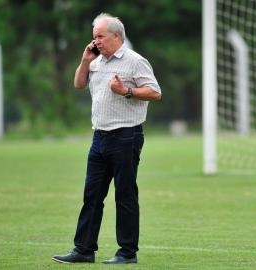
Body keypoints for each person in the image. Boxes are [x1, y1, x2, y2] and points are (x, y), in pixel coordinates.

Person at [52, 13, 161, 264]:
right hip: (99, 137)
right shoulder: (95, 61)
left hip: (126, 135)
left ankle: (127, 253)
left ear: (116, 36)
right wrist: (84, 60)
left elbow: (155, 93)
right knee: (92, 195)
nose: (96, 41)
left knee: (124, 194)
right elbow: (79, 84)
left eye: (100, 36)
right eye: (94, 37)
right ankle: (84, 250)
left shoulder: (135, 61)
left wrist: (127, 91)